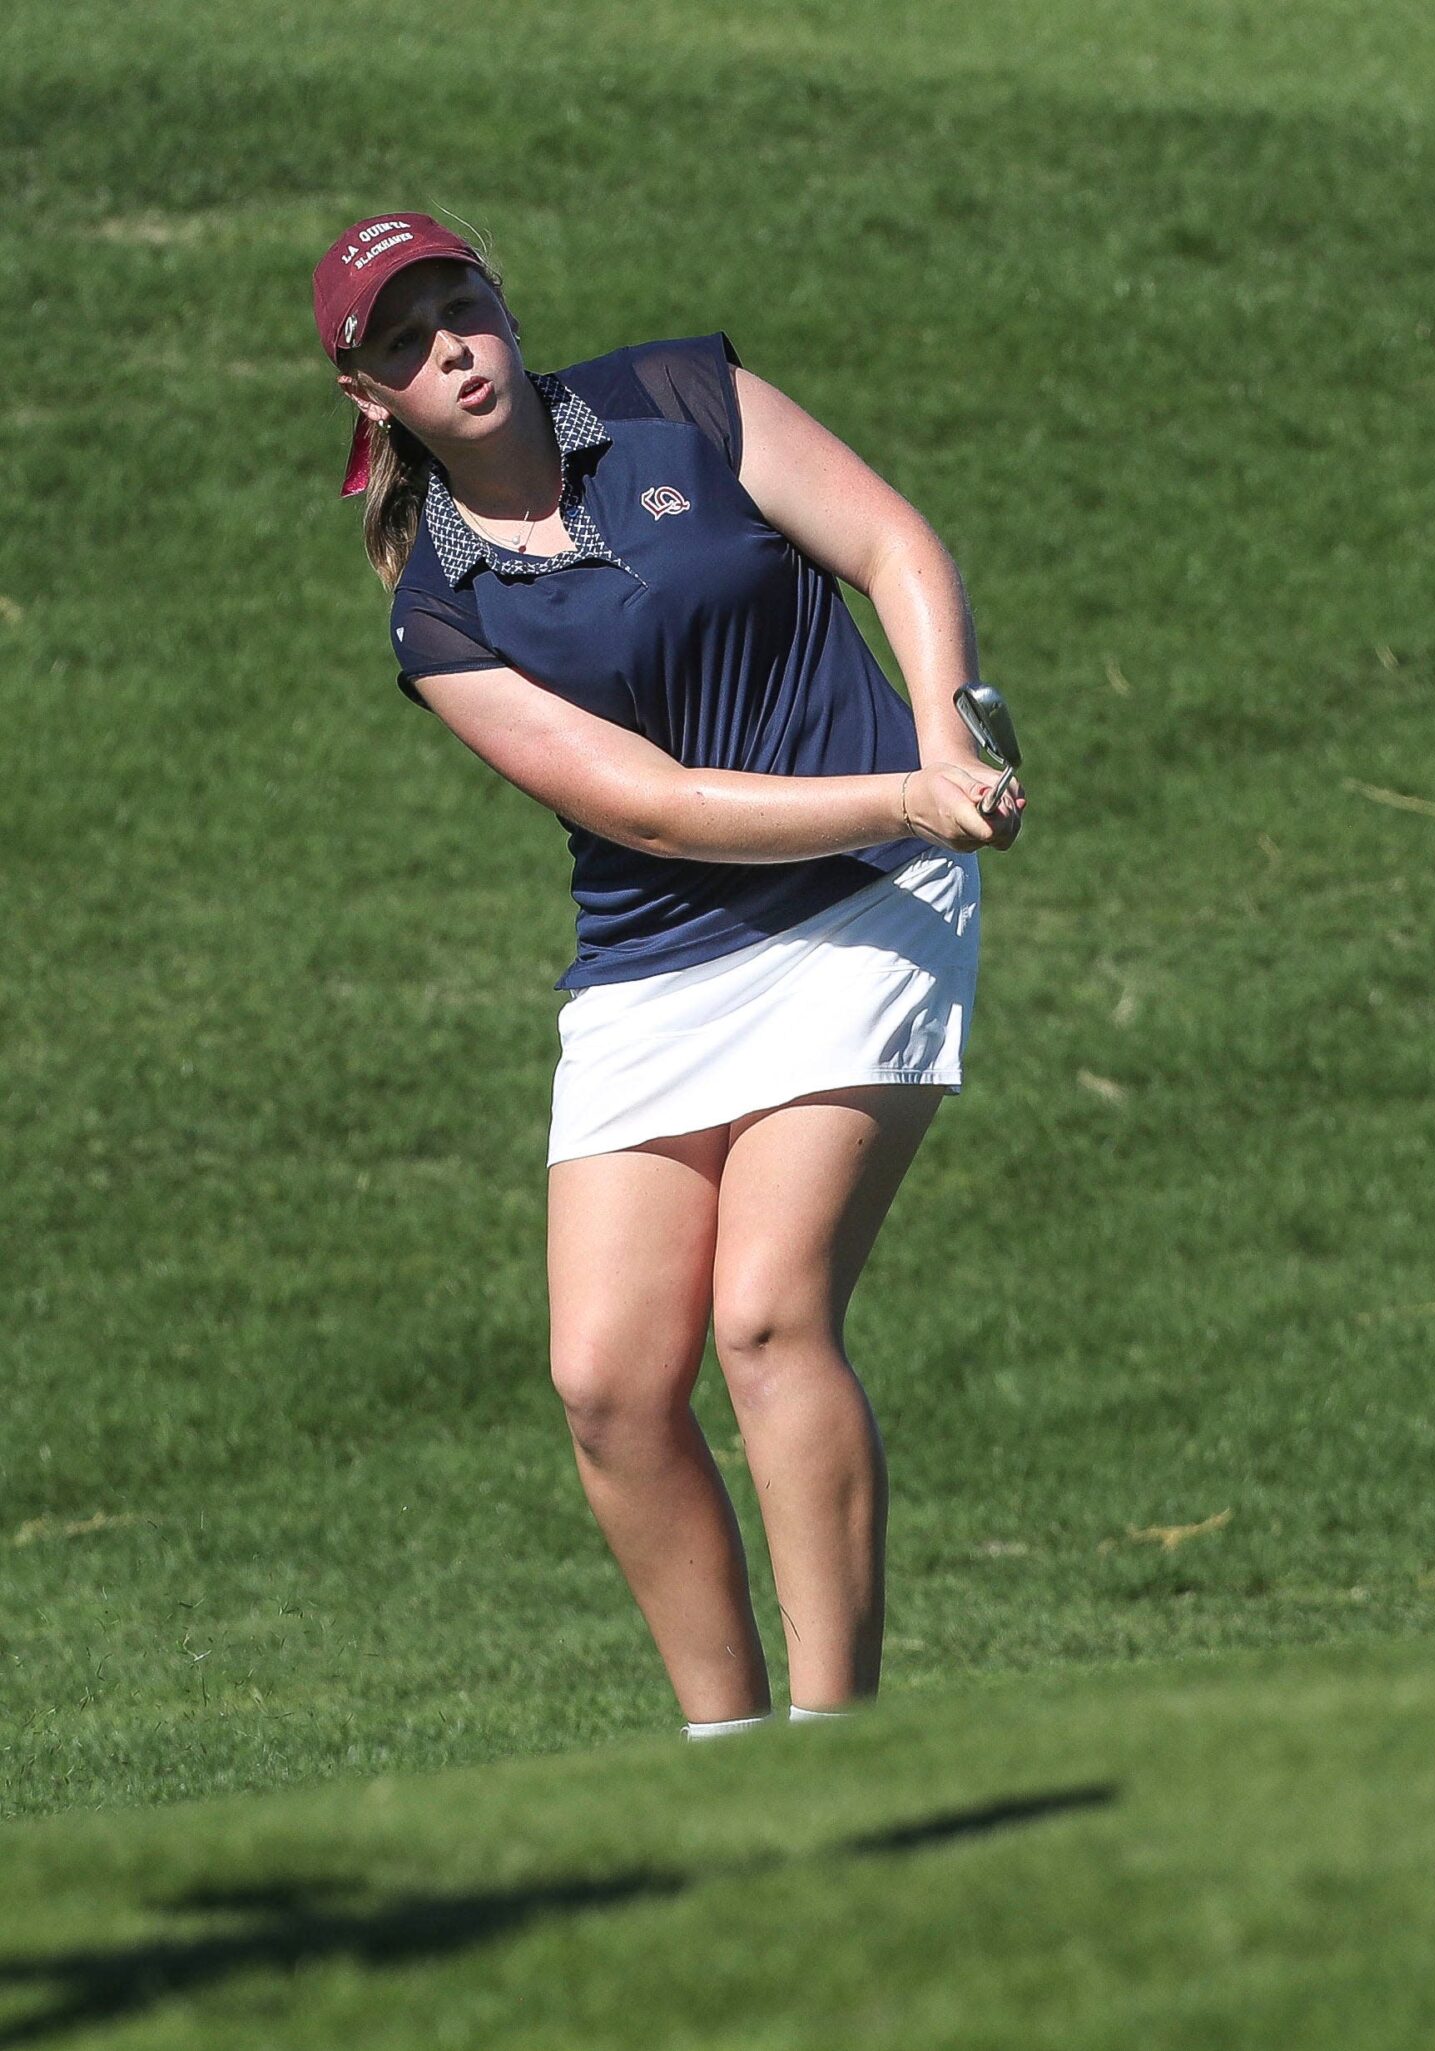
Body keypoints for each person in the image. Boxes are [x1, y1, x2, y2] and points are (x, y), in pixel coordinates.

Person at [312, 211, 1027, 1740]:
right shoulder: (437, 614)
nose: (450, 345)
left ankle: (842, 1753)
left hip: (863, 905)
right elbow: (648, 806)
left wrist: (944, 737)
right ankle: (726, 1759)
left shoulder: (681, 400)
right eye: (404, 342)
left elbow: (892, 542)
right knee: (609, 1388)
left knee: (767, 1317)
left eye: (461, 305)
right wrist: (908, 790)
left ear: (502, 304)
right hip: (660, 959)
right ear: (375, 401)